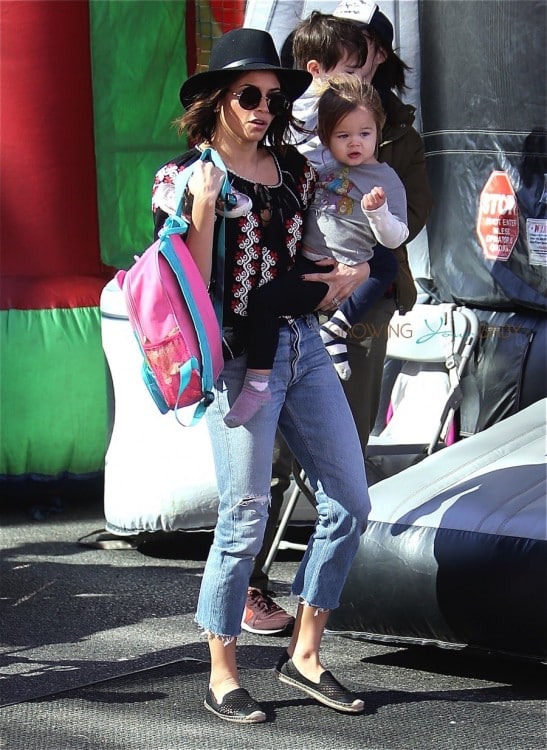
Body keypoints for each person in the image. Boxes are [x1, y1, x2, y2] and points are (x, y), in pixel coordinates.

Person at [152, 28, 371, 723]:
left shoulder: (300, 173)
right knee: (243, 515)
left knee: (349, 502)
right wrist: (208, 208)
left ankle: (304, 654)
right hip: (239, 358)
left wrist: (356, 270)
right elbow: (188, 281)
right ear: (217, 98)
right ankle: (221, 672)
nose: (262, 108)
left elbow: (334, 244)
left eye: (273, 98)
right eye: (249, 95)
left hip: (303, 344)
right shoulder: (180, 176)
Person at [239, 1, 434, 636]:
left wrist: (362, 264)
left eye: (373, 51)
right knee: (262, 452)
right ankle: (252, 583)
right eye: (354, 55)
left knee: (344, 451)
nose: (369, 62)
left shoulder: (397, 128)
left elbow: (409, 219)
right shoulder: (288, 122)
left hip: (362, 308)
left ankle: (321, 598)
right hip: (285, 301)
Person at [224, 74, 407, 427]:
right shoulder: (320, 169)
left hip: (329, 274)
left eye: (364, 134)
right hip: (302, 261)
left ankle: (257, 383)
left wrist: (378, 213)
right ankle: (325, 339)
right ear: (326, 138)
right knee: (264, 301)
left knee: (264, 303)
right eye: (343, 135)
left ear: (377, 131)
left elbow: (396, 238)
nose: (355, 142)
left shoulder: (385, 180)